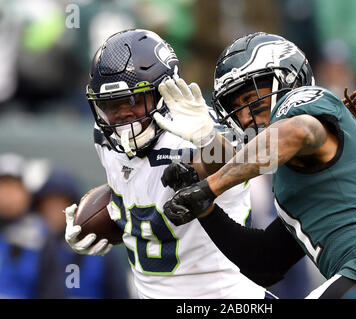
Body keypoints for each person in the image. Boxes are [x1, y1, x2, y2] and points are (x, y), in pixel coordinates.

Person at [159, 32, 356, 299]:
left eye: (250, 99)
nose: (245, 117)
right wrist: (204, 208)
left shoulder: (305, 101)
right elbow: (264, 262)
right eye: (236, 106)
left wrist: (209, 187)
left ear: (287, 80)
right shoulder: (296, 184)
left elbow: (299, 132)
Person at [63, 29, 272, 299]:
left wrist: (207, 138)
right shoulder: (105, 136)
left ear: (163, 91)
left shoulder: (200, 130)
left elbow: (228, 166)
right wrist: (104, 218)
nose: (122, 115)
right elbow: (137, 186)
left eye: (132, 100)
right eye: (110, 105)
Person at [34, 166, 130, 299]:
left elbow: (118, 292)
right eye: (48, 204)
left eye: (60, 204)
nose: (54, 211)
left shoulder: (100, 247)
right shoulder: (33, 244)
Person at [0, 153, 65, 298]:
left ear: (27, 193)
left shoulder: (41, 237)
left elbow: (53, 291)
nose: (8, 194)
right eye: (3, 186)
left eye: (15, 187)